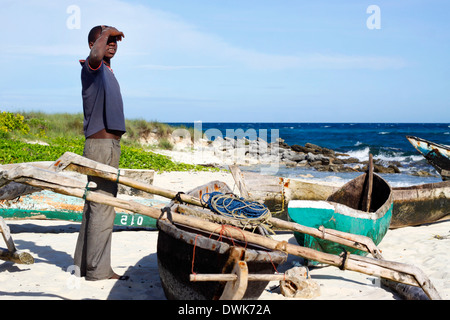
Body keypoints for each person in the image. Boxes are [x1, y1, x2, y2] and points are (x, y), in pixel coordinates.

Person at [74, 25, 128, 281]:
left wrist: (107, 35)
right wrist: (105, 33)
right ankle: (98, 270)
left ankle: (84, 265)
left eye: (115, 41)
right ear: (93, 44)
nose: (112, 44)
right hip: (101, 146)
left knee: (95, 204)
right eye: (106, 40)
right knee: (103, 206)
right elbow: (95, 56)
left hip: (106, 146)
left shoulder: (106, 71)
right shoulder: (91, 67)